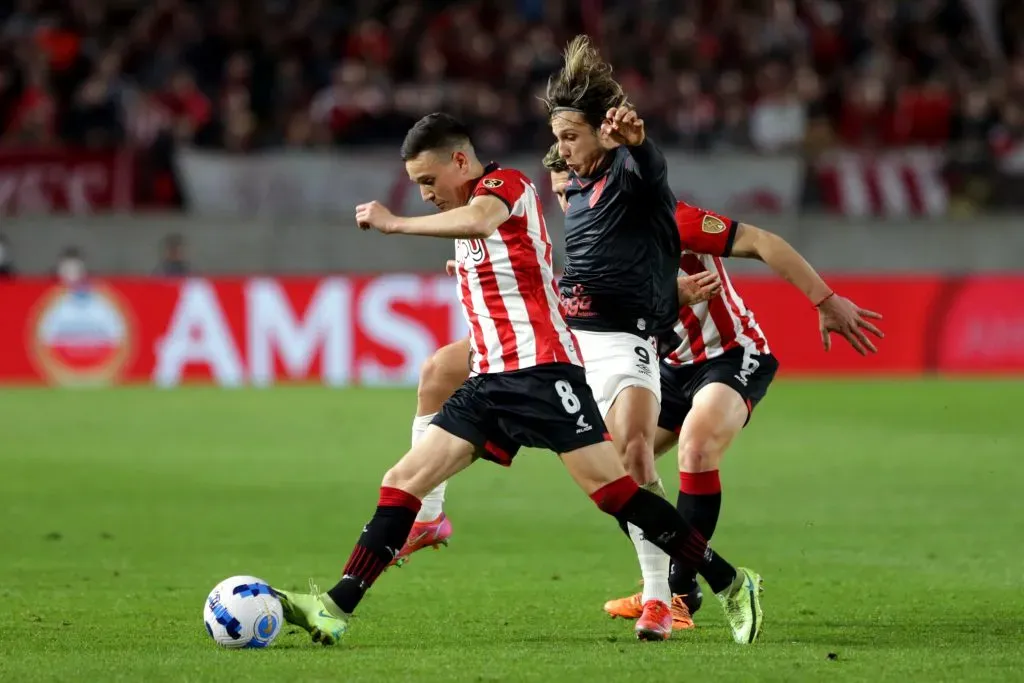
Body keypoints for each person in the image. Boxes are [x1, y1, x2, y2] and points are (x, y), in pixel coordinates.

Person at [271, 112, 764, 647]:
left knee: (618, 493)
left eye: (429, 181)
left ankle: (730, 581)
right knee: (402, 480)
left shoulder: (504, 186)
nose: (426, 194)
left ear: (460, 160)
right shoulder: (465, 212)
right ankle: (333, 607)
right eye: (418, 187)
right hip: (489, 381)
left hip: (541, 375)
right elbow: (499, 256)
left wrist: (396, 223)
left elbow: (483, 221)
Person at [397, 143, 884, 632]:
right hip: (666, 365)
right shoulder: (588, 237)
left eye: (574, 190)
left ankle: (677, 592)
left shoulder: (665, 218)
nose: (570, 205)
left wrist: (824, 299)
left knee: (695, 445)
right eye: (561, 197)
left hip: (729, 355)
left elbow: (762, 241)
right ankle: (671, 589)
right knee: (621, 474)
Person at [406, 35, 689, 640]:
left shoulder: (629, 172)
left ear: (602, 134)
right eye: (557, 139)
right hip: (562, 332)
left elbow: (653, 176)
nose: (561, 153)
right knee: (437, 371)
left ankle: (664, 598)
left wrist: (638, 144)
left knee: (633, 458)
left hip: (621, 342)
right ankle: (427, 516)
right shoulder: (570, 183)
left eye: (571, 138)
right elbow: (558, 262)